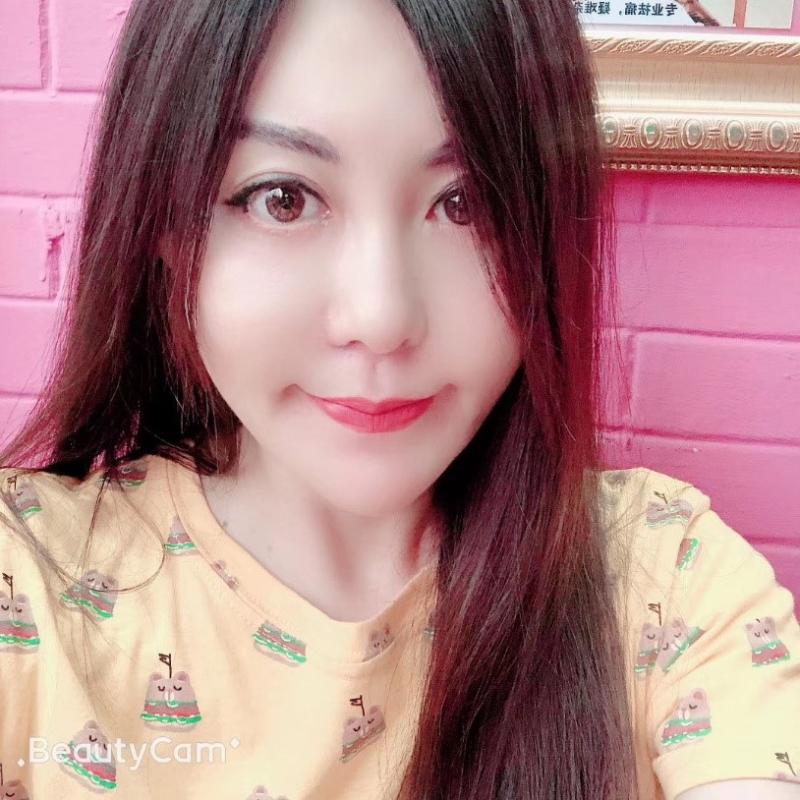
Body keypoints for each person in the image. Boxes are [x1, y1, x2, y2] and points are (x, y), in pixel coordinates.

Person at [0, 1, 797, 798]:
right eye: (283, 198)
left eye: (467, 202)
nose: (381, 318)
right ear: (168, 235)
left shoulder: (663, 578)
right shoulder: (27, 585)